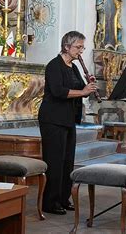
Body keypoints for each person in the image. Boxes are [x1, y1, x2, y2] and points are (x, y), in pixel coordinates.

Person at [38, 31, 97, 215]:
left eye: (82, 47)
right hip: (53, 119)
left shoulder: (73, 67)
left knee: (67, 161)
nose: (81, 51)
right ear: (66, 46)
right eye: (78, 47)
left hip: (68, 119)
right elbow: (58, 91)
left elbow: (78, 87)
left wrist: (88, 85)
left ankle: (63, 198)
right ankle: (50, 202)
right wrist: (83, 92)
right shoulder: (54, 66)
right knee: (54, 161)